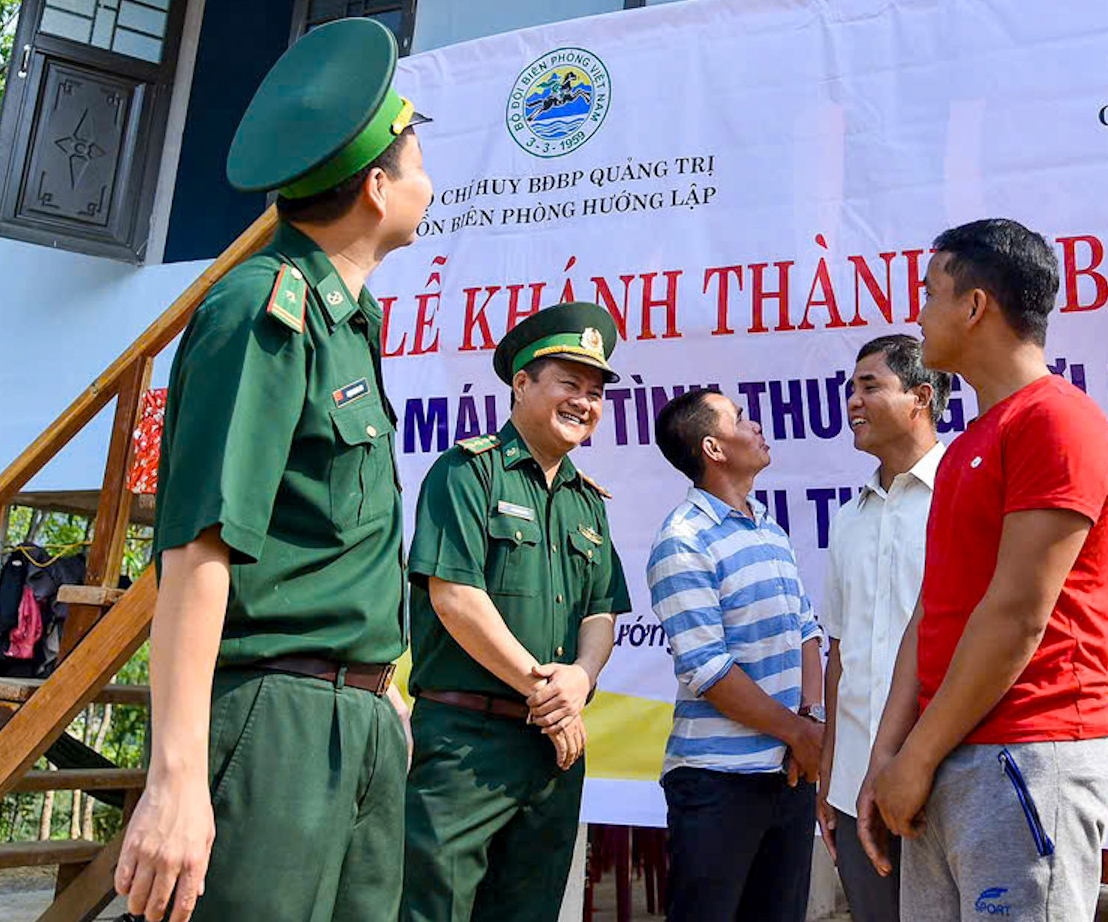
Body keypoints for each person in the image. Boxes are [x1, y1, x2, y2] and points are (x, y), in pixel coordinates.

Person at [115, 17, 433, 922]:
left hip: (363, 718)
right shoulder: (261, 309)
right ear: (378, 188)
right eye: (416, 153)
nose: (426, 176)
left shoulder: (348, 323)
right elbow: (198, 548)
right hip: (277, 727)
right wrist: (175, 778)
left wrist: (385, 693)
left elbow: (343, 548)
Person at [859, 218, 1108, 922]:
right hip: (946, 760)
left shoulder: (1057, 422)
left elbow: (1016, 616)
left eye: (930, 292)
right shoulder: (970, 442)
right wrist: (885, 762)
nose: (917, 314)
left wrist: (914, 761)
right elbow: (932, 612)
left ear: (975, 306)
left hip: (1028, 755)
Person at [401, 302, 634, 922]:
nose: (584, 402)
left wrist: (581, 677)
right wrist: (546, 692)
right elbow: (455, 597)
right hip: (465, 746)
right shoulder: (466, 473)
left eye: (594, 391)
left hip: (551, 757)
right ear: (522, 383)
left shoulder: (590, 503)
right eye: (568, 383)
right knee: (433, 909)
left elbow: (602, 612)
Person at [647, 388, 824, 922]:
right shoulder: (682, 541)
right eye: (740, 419)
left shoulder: (768, 528)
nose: (754, 427)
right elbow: (711, 670)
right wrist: (798, 733)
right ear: (713, 448)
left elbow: (806, 630)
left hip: (788, 774)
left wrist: (809, 720)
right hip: (716, 781)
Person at [818, 334, 947, 922]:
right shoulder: (848, 519)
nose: (853, 402)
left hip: (944, 779)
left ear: (921, 396)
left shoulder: (963, 494)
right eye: (851, 388)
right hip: (852, 791)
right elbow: (838, 654)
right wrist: (828, 770)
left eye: (870, 386)